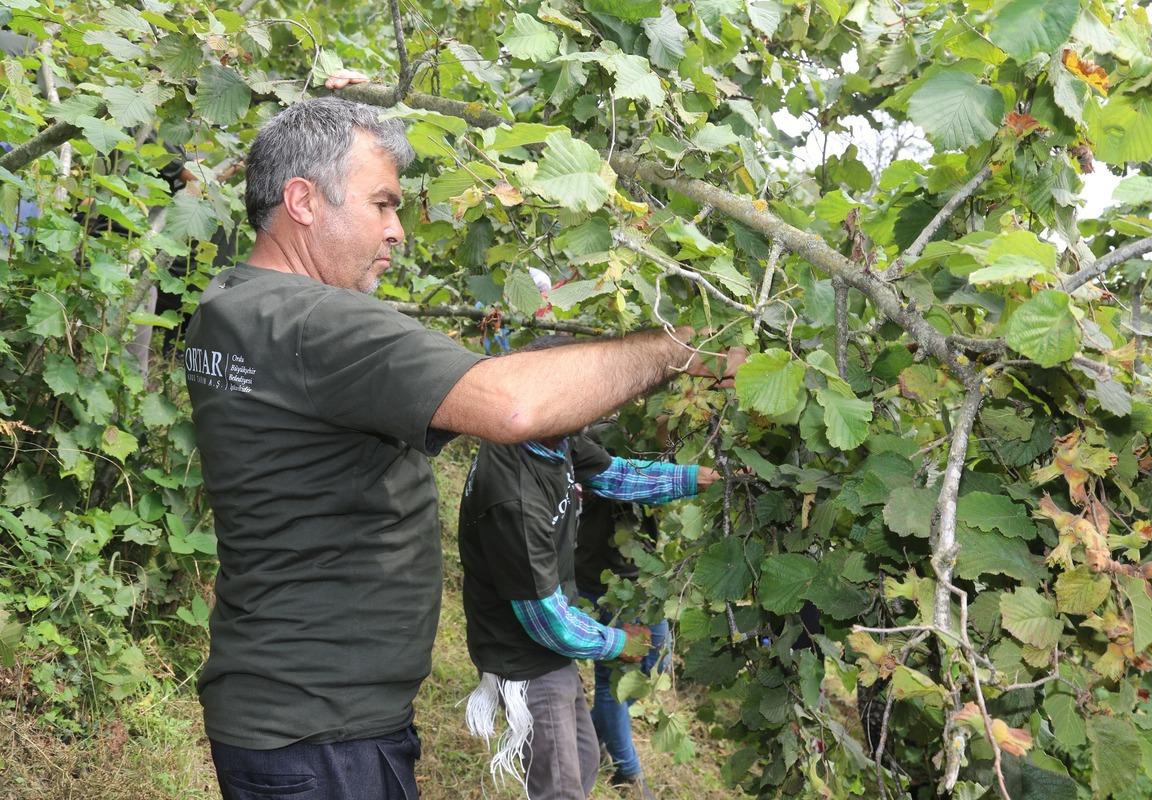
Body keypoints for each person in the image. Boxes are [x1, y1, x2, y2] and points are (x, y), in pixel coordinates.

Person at [184, 93, 743, 800]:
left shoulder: (232, 305)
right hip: (324, 733)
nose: (398, 231)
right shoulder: (319, 325)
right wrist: (681, 349)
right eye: (382, 204)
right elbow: (514, 403)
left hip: (287, 711)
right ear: (302, 200)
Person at [457, 340, 719, 800]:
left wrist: (690, 479)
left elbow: (614, 476)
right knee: (560, 789)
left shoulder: (555, 436)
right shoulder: (513, 497)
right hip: (525, 659)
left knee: (581, 761)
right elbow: (547, 620)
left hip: (548, 649)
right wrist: (619, 643)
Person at [574, 421, 715, 799]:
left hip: (645, 576)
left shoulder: (666, 440)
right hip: (603, 575)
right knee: (617, 681)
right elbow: (623, 481)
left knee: (657, 662)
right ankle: (628, 775)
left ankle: (588, 737)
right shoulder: (603, 436)